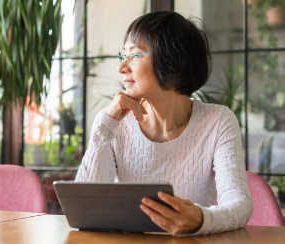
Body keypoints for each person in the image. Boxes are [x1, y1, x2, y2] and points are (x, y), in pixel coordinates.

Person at [75, 11, 253, 236]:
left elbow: (239, 205)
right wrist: (103, 125)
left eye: (135, 55)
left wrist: (201, 220)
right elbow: (86, 209)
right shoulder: (114, 124)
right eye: (123, 56)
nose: (121, 68)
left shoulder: (218, 121)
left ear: (174, 61)